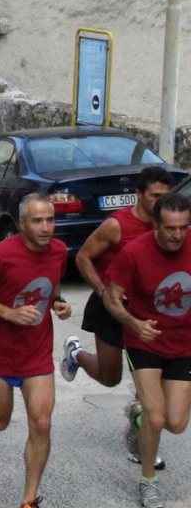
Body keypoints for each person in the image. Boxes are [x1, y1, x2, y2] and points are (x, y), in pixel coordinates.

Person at [0, 193, 71, 508]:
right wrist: (8, 312)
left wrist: (58, 303)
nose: (46, 227)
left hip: (37, 351)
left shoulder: (60, 251)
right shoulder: (1, 255)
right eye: (38, 221)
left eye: (50, 220)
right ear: (22, 224)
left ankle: (29, 499)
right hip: (0, 350)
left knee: (42, 423)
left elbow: (52, 285)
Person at [61, 166, 173, 469]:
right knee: (110, 378)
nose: (161, 202)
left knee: (151, 387)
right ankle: (76, 354)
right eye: (155, 196)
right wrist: (102, 292)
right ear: (139, 194)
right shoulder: (117, 225)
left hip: (148, 313)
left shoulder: (169, 227)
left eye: (166, 196)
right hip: (109, 309)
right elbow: (83, 257)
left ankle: (141, 444)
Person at [103, 192, 191, 508]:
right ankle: (148, 480)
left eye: (184, 227)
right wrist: (134, 322)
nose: (178, 235)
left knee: (177, 423)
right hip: (145, 339)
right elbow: (111, 297)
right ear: (155, 224)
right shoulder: (135, 252)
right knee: (157, 417)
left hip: (184, 342)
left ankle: (137, 416)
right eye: (171, 228)